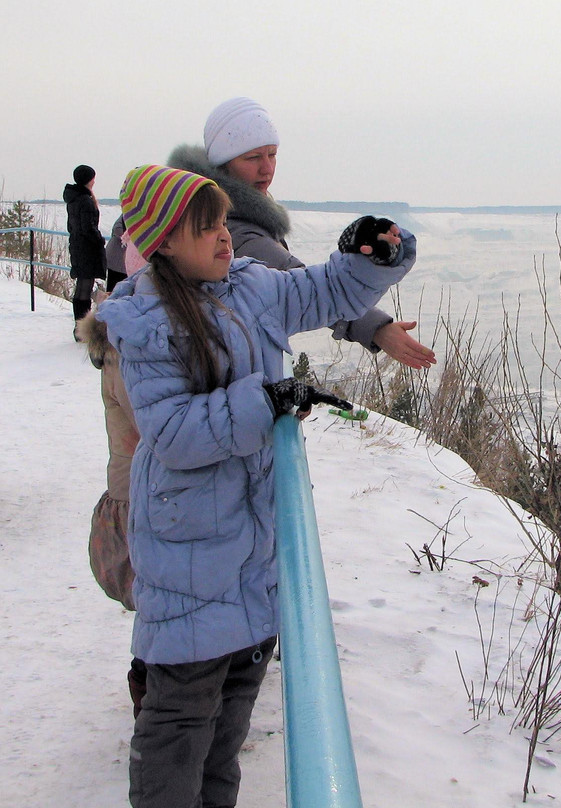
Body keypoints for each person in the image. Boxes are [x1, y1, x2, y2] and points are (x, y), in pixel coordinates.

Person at [97, 164, 414, 808]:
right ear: (164, 243)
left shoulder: (250, 286)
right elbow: (173, 433)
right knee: (180, 719)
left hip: (252, 547)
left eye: (222, 222)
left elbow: (325, 292)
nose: (224, 236)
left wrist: (368, 257)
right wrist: (265, 399)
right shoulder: (145, 321)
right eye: (205, 228)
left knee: (231, 719)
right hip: (190, 552)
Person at [168, 96, 436, 370]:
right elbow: (302, 287)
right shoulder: (230, 228)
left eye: (272, 154)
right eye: (253, 157)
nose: (267, 168)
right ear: (223, 164)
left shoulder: (227, 214)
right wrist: (376, 328)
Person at [76, 306, 147, 716]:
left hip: (141, 490)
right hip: (140, 495)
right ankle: (149, 687)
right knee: (158, 597)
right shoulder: (125, 356)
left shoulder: (124, 347)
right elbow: (157, 423)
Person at [64, 164, 106, 337]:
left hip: (77, 246)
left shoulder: (74, 199)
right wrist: (99, 240)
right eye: (93, 178)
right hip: (86, 249)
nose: (94, 181)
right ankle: (82, 329)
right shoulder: (85, 201)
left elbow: (72, 226)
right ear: (88, 179)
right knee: (84, 288)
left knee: (82, 287)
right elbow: (88, 227)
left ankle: (79, 328)